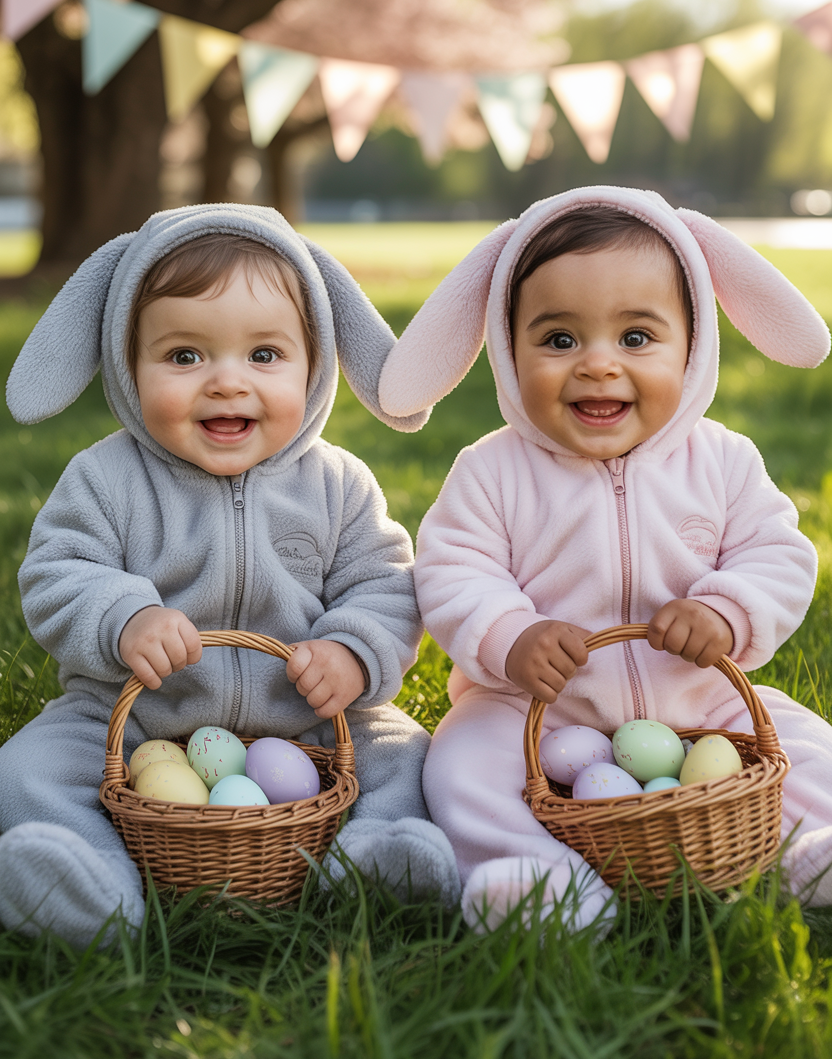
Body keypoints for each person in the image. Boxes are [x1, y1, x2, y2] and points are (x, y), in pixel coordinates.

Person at [0, 203, 460, 949]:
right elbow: (56, 571)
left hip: (311, 716)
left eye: (265, 356)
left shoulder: (339, 484)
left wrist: (351, 651)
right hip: (134, 717)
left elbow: (386, 581)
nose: (225, 383)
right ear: (125, 359)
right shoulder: (105, 479)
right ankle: (83, 880)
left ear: (316, 363)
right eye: (184, 356)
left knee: (408, 757)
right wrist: (123, 618)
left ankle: (380, 856)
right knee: (24, 770)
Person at [374, 185, 832, 932]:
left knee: (804, 746)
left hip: (697, 699)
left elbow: (777, 552)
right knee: (459, 767)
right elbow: (454, 569)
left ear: (694, 343)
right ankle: (533, 879)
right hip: (532, 711)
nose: (597, 366)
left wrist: (726, 609)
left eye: (636, 338)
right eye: (558, 340)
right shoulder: (492, 470)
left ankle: (808, 850)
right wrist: (510, 636)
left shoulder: (721, 461)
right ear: (505, 344)